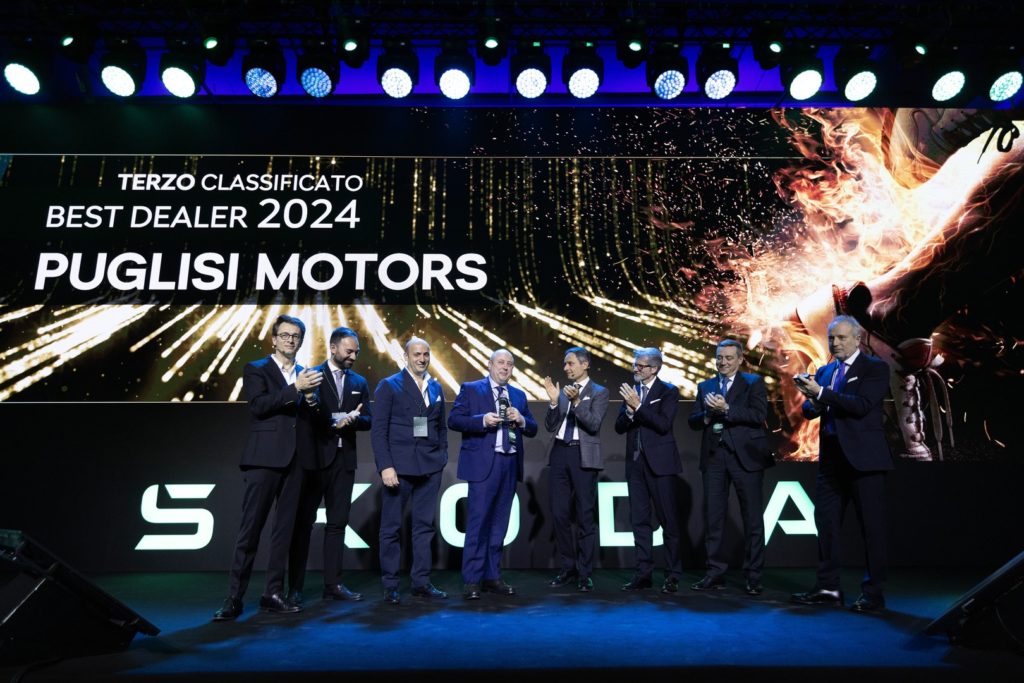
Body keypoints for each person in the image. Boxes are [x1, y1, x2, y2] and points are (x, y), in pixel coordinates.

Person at [213, 314, 323, 621]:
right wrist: (296, 389)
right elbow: (259, 406)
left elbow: (311, 420)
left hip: (297, 461)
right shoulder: (257, 368)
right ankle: (234, 598)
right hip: (264, 459)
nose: (290, 340)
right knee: (250, 530)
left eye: (296, 336)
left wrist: (312, 402)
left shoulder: (305, 373)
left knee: (283, 532)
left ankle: (273, 594)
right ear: (274, 339)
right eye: (285, 335)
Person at [791, 315, 893, 613]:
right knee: (826, 526)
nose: (835, 343)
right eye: (831, 338)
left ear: (857, 339)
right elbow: (810, 411)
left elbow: (861, 406)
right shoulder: (825, 371)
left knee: (871, 530)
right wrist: (812, 397)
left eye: (841, 338)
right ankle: (828, 588)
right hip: (832, 462)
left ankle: (873, 594)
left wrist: (822, 394)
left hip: (865, 462)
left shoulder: (875, 368)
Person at [287, 327, 371, 605]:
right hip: (315, 461)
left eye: (356, 352)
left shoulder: (360, 381)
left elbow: (369, 419)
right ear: (333, 348)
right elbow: (304, 416)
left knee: (337, 524)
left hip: (344, 463)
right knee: (303, 525)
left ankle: (332, 584)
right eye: (349, 351)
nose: (353, 356)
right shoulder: (312, 375)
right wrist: (332, 421)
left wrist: (354, 420)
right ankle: (294, 588)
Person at [448, 349, 538, 600]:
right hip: (483, 465)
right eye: (500, 362)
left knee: (499, 525)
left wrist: (522, 420)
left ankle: (492, 577)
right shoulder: (471, 389)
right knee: (478, 524)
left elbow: (533, 428)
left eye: (509, 364)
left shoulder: (518, 395)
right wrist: (481, 420)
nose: (505, 367)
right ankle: (472, 580)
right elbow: (454, 420)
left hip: (509, 463)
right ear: (489, 365)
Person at [687, 339, 774, 596]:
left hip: (745, 457)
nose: (722, 362)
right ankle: (715, 573)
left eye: (728, 358)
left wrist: (726, 409)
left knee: (752, 519)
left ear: (739, 359)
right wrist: (706, 415)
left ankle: (753, 576)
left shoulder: (753, 383)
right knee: (713, 518)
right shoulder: (705, 386)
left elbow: (758, 416)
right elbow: (693, 421)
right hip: (714, 457)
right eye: (719, 357)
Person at [371, 337, 449, 604]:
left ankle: (421, 582)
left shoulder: (436, 387)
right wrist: (386, 466)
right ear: (406, 357)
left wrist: (441, 457)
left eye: (426, 354)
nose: (422, 359)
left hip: (430, 467)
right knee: (391, 528)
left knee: (424, 527)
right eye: (417, 354)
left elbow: (441, 427)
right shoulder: (389, 385)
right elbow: (378, 431)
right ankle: (390, 584)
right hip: (399, 468)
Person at [614, 347, 684, 593]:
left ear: (654, 368)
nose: (635, 368)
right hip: (636, 465)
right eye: (635, 364)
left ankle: (673, 574)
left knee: (669, 521)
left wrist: (639, 407)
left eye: (640, 365)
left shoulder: (668, 391)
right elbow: (619, 427)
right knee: (640, 521)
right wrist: (629, 411)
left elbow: (663, 425)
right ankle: (643, 574)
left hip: (661, 465)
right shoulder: (632, 392)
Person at [543, 346, 609, 592]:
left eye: (570, 363)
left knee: (584, 516)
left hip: (583, 455)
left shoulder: (599, 392)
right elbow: (550, 426)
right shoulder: (563, 392)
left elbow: (593, 424)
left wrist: (577, 402)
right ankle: (567, 567)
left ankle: (584, 572)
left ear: (585, 364)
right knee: (559, 514)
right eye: (565, 363)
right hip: (560, 453)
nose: (566, 368)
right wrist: (553, 402)